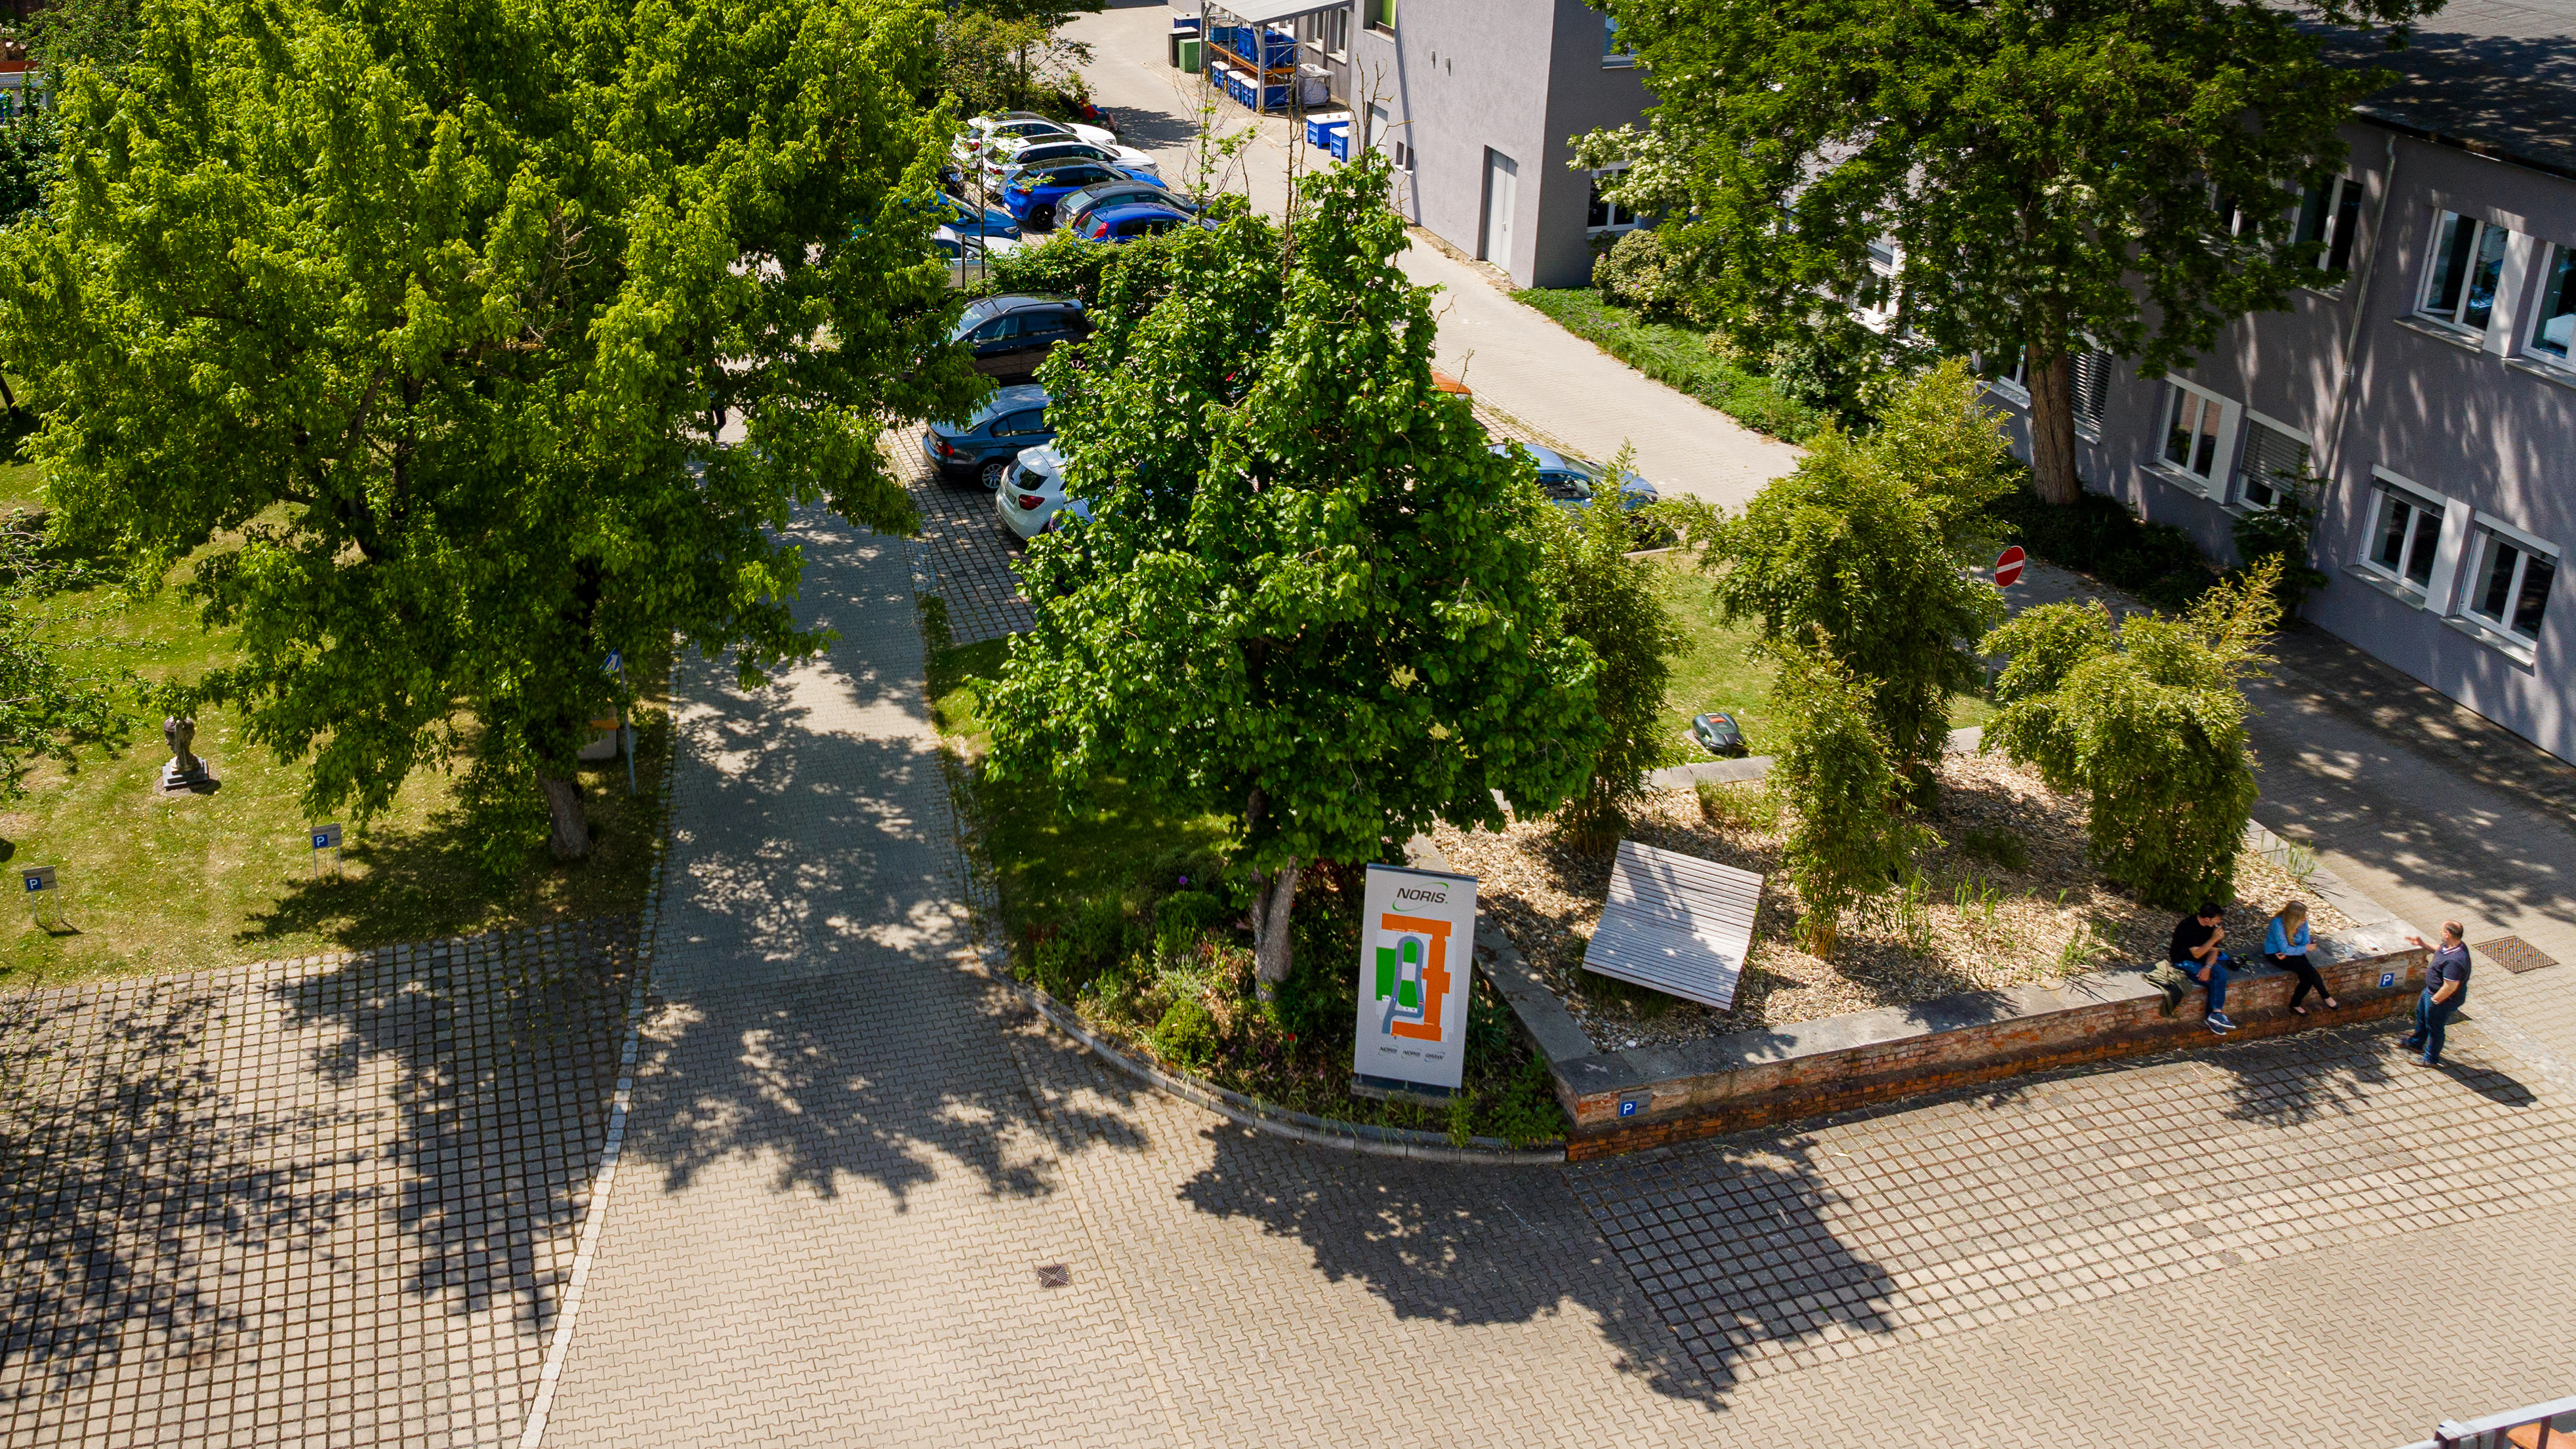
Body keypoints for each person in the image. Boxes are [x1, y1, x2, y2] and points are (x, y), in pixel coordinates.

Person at [2402, 922, 2472, 1067]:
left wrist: (2434, 1001)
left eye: (2441, 930)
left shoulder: (2455, 961)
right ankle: (2415, 1043)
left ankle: (2431, 1059)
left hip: (2442, 999)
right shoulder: (2453, 946)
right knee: (2421, 1017)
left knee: (2435, 1027)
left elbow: (2450, 987)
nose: (2439, 932)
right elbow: (2440, 950)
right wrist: (2422, 944)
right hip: (2431, 992)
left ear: (2448, 934)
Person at [2169, 902, 2235, 1033]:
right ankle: (2211, 1018)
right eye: (2217, 919)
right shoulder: (2188, 927)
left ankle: (2216, 1013)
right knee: (2212, 982)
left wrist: (2208, 966)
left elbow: (2214, 951)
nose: (2220, 922)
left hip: (2203, 959)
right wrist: (2213, 938)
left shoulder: (2213, 927)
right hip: (2184, 961)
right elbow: (2197, 953)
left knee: (2221, 975)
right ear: (2206, 919)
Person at [2264, 901, 2336, 1015]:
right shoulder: (2278, 924)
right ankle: (2326, 996)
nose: (2305, 919)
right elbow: (2285, 949)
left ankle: (2295, 1004)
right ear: (2293, 918)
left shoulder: (2303, 922)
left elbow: (2305, 940)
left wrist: (2297, 949)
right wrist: (2300, 949)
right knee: (2308, 970)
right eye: (2302, 917)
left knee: (2307, 977)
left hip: (2295, 949)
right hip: (2276, 953)